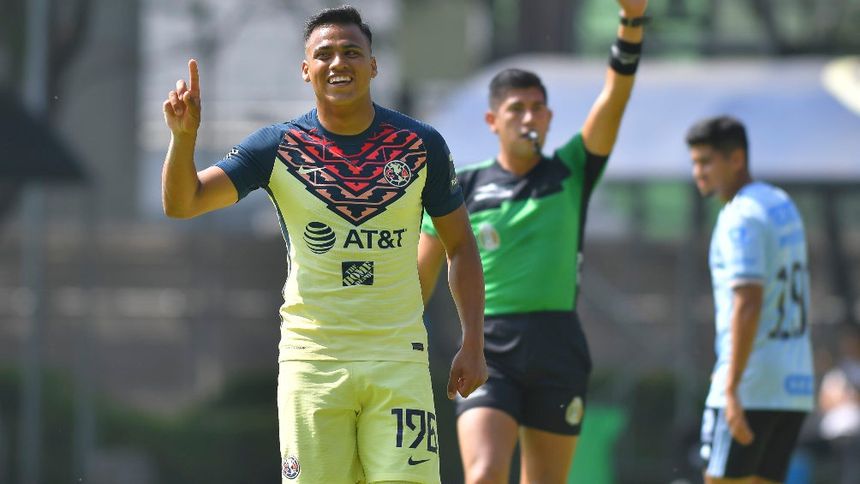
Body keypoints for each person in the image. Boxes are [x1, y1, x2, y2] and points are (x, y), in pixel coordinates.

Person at [160, 6, 487, 483]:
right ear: (305, 69)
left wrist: (473, 342)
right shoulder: (275, 146)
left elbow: (460, 246)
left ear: (373, 65)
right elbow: (184, 202)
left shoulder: (421, 146)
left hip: (398, 359)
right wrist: (183, 138)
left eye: (351, 52)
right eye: (324, 54)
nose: (338, 63)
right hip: (312, 362)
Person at [417, 1, 648, 482]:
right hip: (488, 347)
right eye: (516, 109)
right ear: (492, 121)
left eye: (537, 108)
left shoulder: (572, 169)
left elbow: (615, 97)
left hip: (558, 347)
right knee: (484, 472)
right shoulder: (463, 188)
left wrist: (630, 22)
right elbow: (420, 275)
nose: (528, 118)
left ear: (549, 117)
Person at [687, 116, 815, 484]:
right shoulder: (781, 202)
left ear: (737, 159)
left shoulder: (740, 216)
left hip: (750, 384)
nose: (698, 173)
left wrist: (730, 387)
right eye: (694, 162)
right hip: (793, 384)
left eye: (706, 162)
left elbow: (748, 301)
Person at [818, 324, 860, 484]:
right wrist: (846, 397)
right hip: (834, 434)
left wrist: (850, 396)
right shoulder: (836, 372)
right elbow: (825, 402)